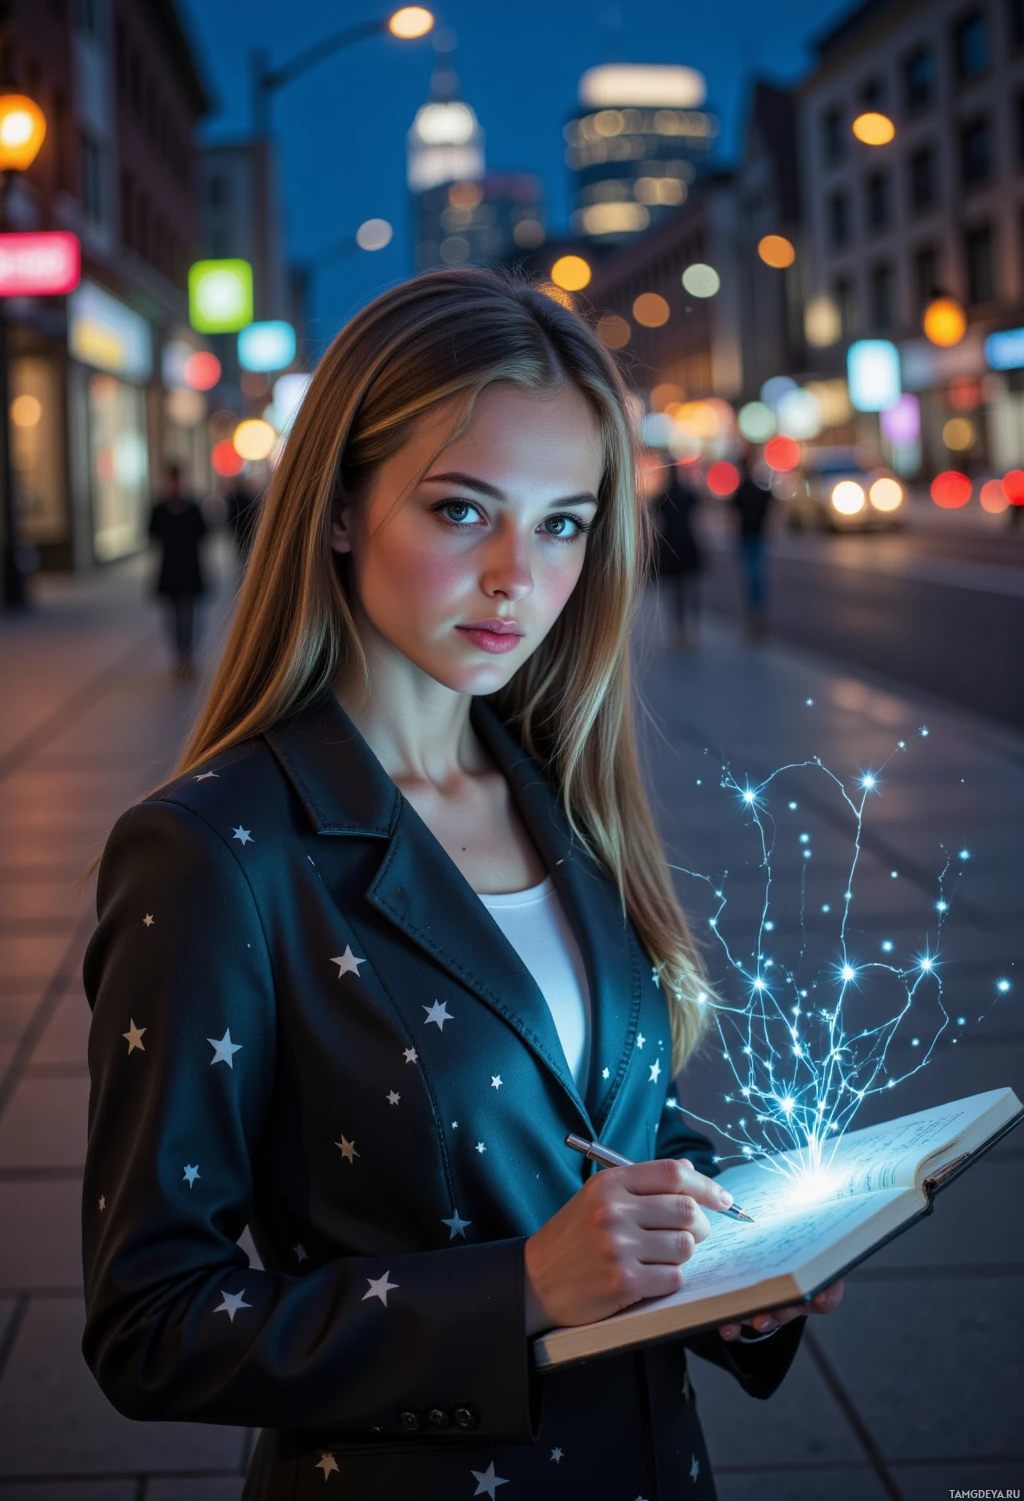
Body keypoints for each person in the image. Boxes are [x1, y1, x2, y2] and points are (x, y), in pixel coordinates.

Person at [82, 270, 842, 1501]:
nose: (517, 578)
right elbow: (149, 1323)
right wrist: (523, 1290)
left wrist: (736, 1254)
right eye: (458, 510)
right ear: (336, 510)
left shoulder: (561, 792)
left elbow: (599, 1130)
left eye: (562, 523)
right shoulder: (219, 850)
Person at [147, 460, 208, 679]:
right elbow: (152, 535)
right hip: (170, 572)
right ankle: (180, 656)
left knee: (190, 616)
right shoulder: (159, 509)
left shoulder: (193, 507)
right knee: (173, 618)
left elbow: (204, 533)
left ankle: (188, 656)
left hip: (190, 571)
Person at [651, 456, 705, 649]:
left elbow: (655, 523)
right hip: (688, 543)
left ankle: (679, 631)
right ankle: (694, 630)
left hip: (670, 545)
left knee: (674, 591)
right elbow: (697, 520)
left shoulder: (662, 496)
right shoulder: (689, 495)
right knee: (691, 589)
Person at [731, 445, 773, 641]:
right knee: (757, 577)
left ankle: (754, 616)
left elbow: (733, 515)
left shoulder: (742, 490)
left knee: (752, 577)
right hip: (756, 536)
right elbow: (772, 507)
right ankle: (757, 614)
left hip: (747, 537)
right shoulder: (758, 488)